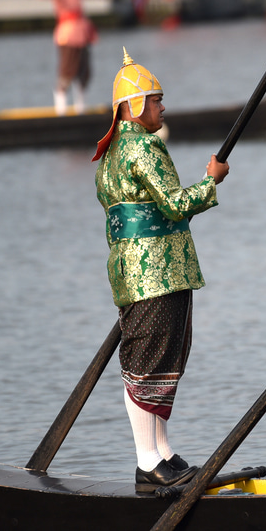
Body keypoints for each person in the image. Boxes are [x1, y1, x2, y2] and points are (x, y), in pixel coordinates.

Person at [93, 48, 229, 493]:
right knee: (148, 364)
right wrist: (211, 180)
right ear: (133, 108)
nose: (162, 107)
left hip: (132, 271)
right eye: (155, 100)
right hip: (158, 270)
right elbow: (173, 205)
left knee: (156, 360)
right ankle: (147, 461)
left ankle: (163, 454)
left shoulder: (111, 154)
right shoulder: (145, 146)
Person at [47, 0, 97, 115]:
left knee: (84, 72)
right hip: (68, 34)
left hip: (82, 33)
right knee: (67, 71)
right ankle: (61, 110)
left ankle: (81, 107)